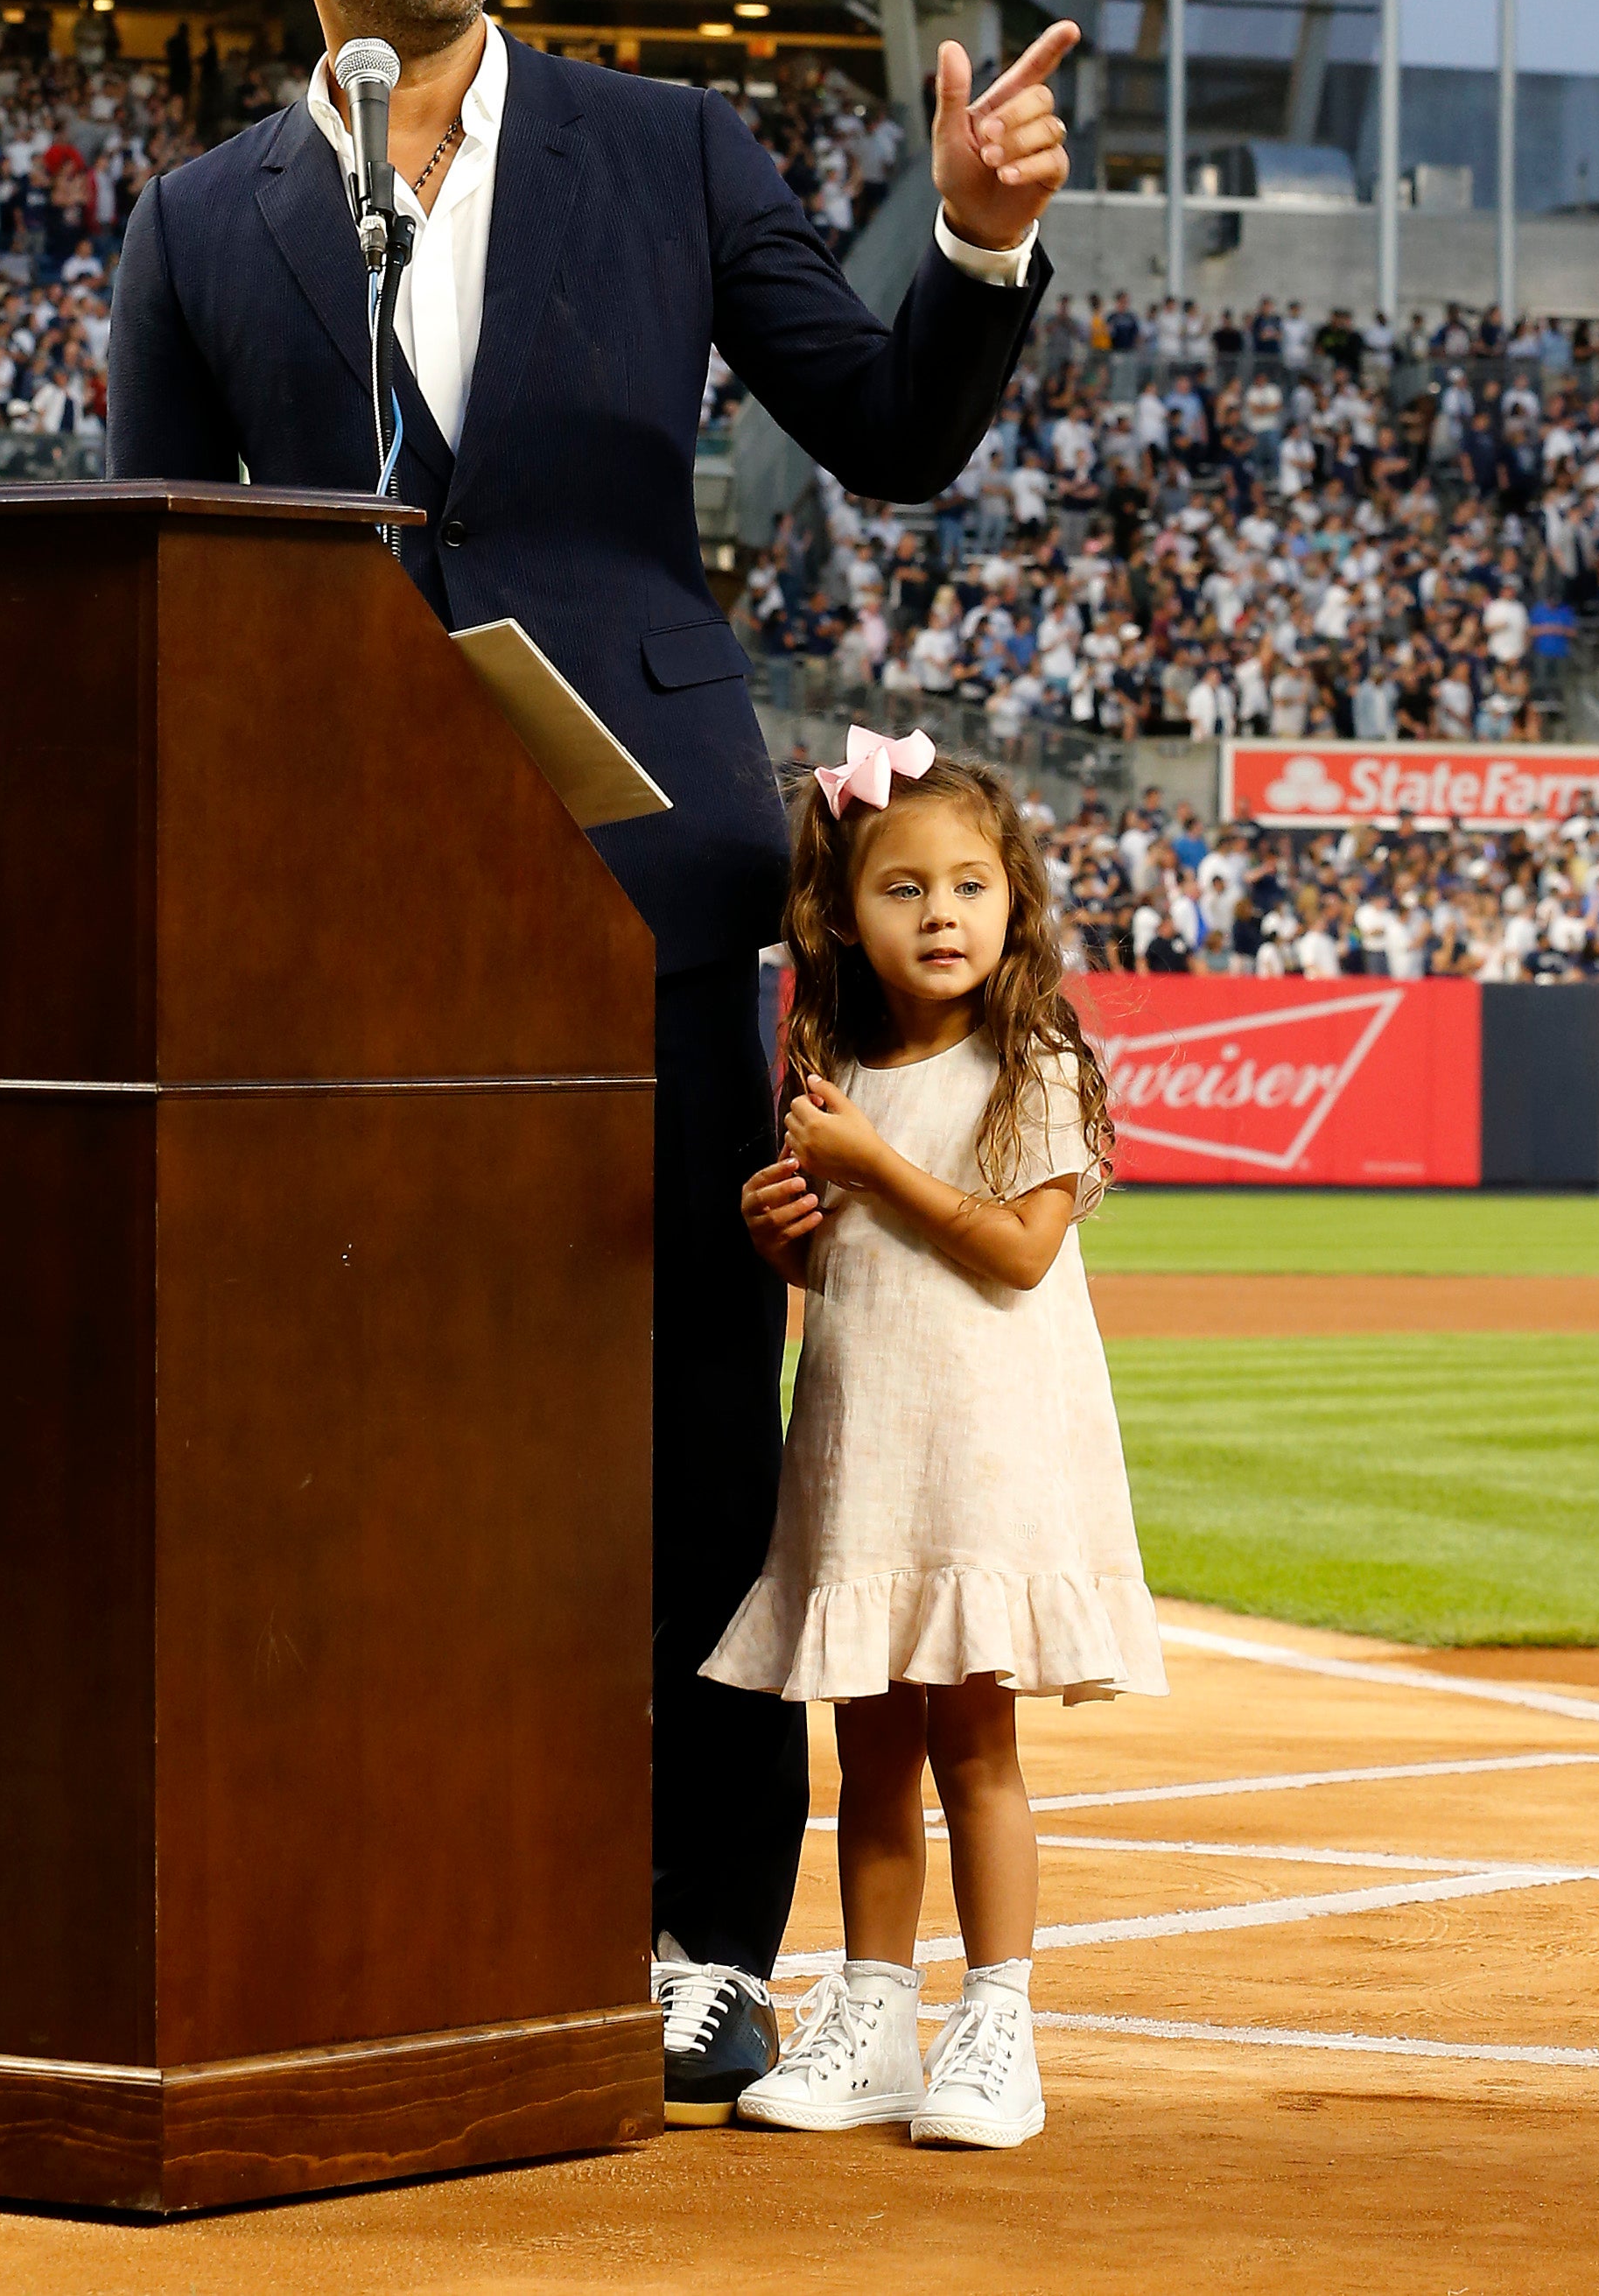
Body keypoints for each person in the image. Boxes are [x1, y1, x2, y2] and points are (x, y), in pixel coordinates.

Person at [105, 0, 1072, 2120]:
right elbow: (153, 568)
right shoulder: (201, 220)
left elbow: (889, 432)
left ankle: (706, 1936)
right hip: (338, 922)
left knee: (680, 1439)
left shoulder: (674, 149)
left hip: (641, 888)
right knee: (359, 1418)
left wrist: (963, 246)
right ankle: (386, 1866)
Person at [711, 726, 1164, 2147]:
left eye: (971, 882)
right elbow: (855, 1271)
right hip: (866, 1448)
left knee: (976, 1742)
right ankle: (872, 2014)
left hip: (984, 1455)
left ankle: (1001, 2019)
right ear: (844, 912)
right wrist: (777, 1232)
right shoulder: (829, 1059)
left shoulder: (1030, 1058)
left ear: (1013, 897)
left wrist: (867, 1164)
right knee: (871, 1748)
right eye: (904, 887)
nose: (944, 912)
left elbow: (1020, 1251)